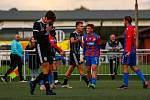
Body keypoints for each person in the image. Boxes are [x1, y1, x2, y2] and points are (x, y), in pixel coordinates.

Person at [29, 10, 57, 95]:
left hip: (48, 46)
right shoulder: (37, 23)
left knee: (50, 68)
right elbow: (36, 36)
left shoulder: (50, 24)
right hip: (40, 47)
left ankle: (34, 82)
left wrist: (52, 30)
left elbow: (53, 34)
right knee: (45, 66)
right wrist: (45, 30)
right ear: (46, 18)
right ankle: (48, 90)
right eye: (50, 21)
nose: (51, 23)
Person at [118, 16, 148, 89]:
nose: (123, 22)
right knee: (133, 66)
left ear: (127, 21)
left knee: (125, 66)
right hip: (133, 50)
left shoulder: (128, 29)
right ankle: (144, 80)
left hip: (128, 50)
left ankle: (125, 85)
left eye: (124, 20)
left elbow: (128, 40)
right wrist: (133, 50)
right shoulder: (133, 28)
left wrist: (128, 51)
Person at [62, 21, 89, 88]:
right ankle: (88, 83)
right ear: (77, 26)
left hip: (77, 53)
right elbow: (72, 41)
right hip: (73, 53)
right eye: (81, 26)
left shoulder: (81, 34)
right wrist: (78, 40)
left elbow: (82, 45)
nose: (82, 27)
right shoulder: (73, 34)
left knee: (71, 69)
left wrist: (84, 44)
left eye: (82, 26)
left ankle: (64, 83)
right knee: (80, 67)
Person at [83, 24, 101, 89]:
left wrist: (98, 55)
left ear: (92, 29)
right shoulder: (84, 37)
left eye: (88, 28)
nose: (87, 29)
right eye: (86, 28)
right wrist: (83, 55)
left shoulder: (97, 37)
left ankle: (93, 83)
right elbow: (84, 46)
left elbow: (99, 46)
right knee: (87, 70)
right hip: (87, 55)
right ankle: (90, 83)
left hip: (94, 55)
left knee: (93, 68)